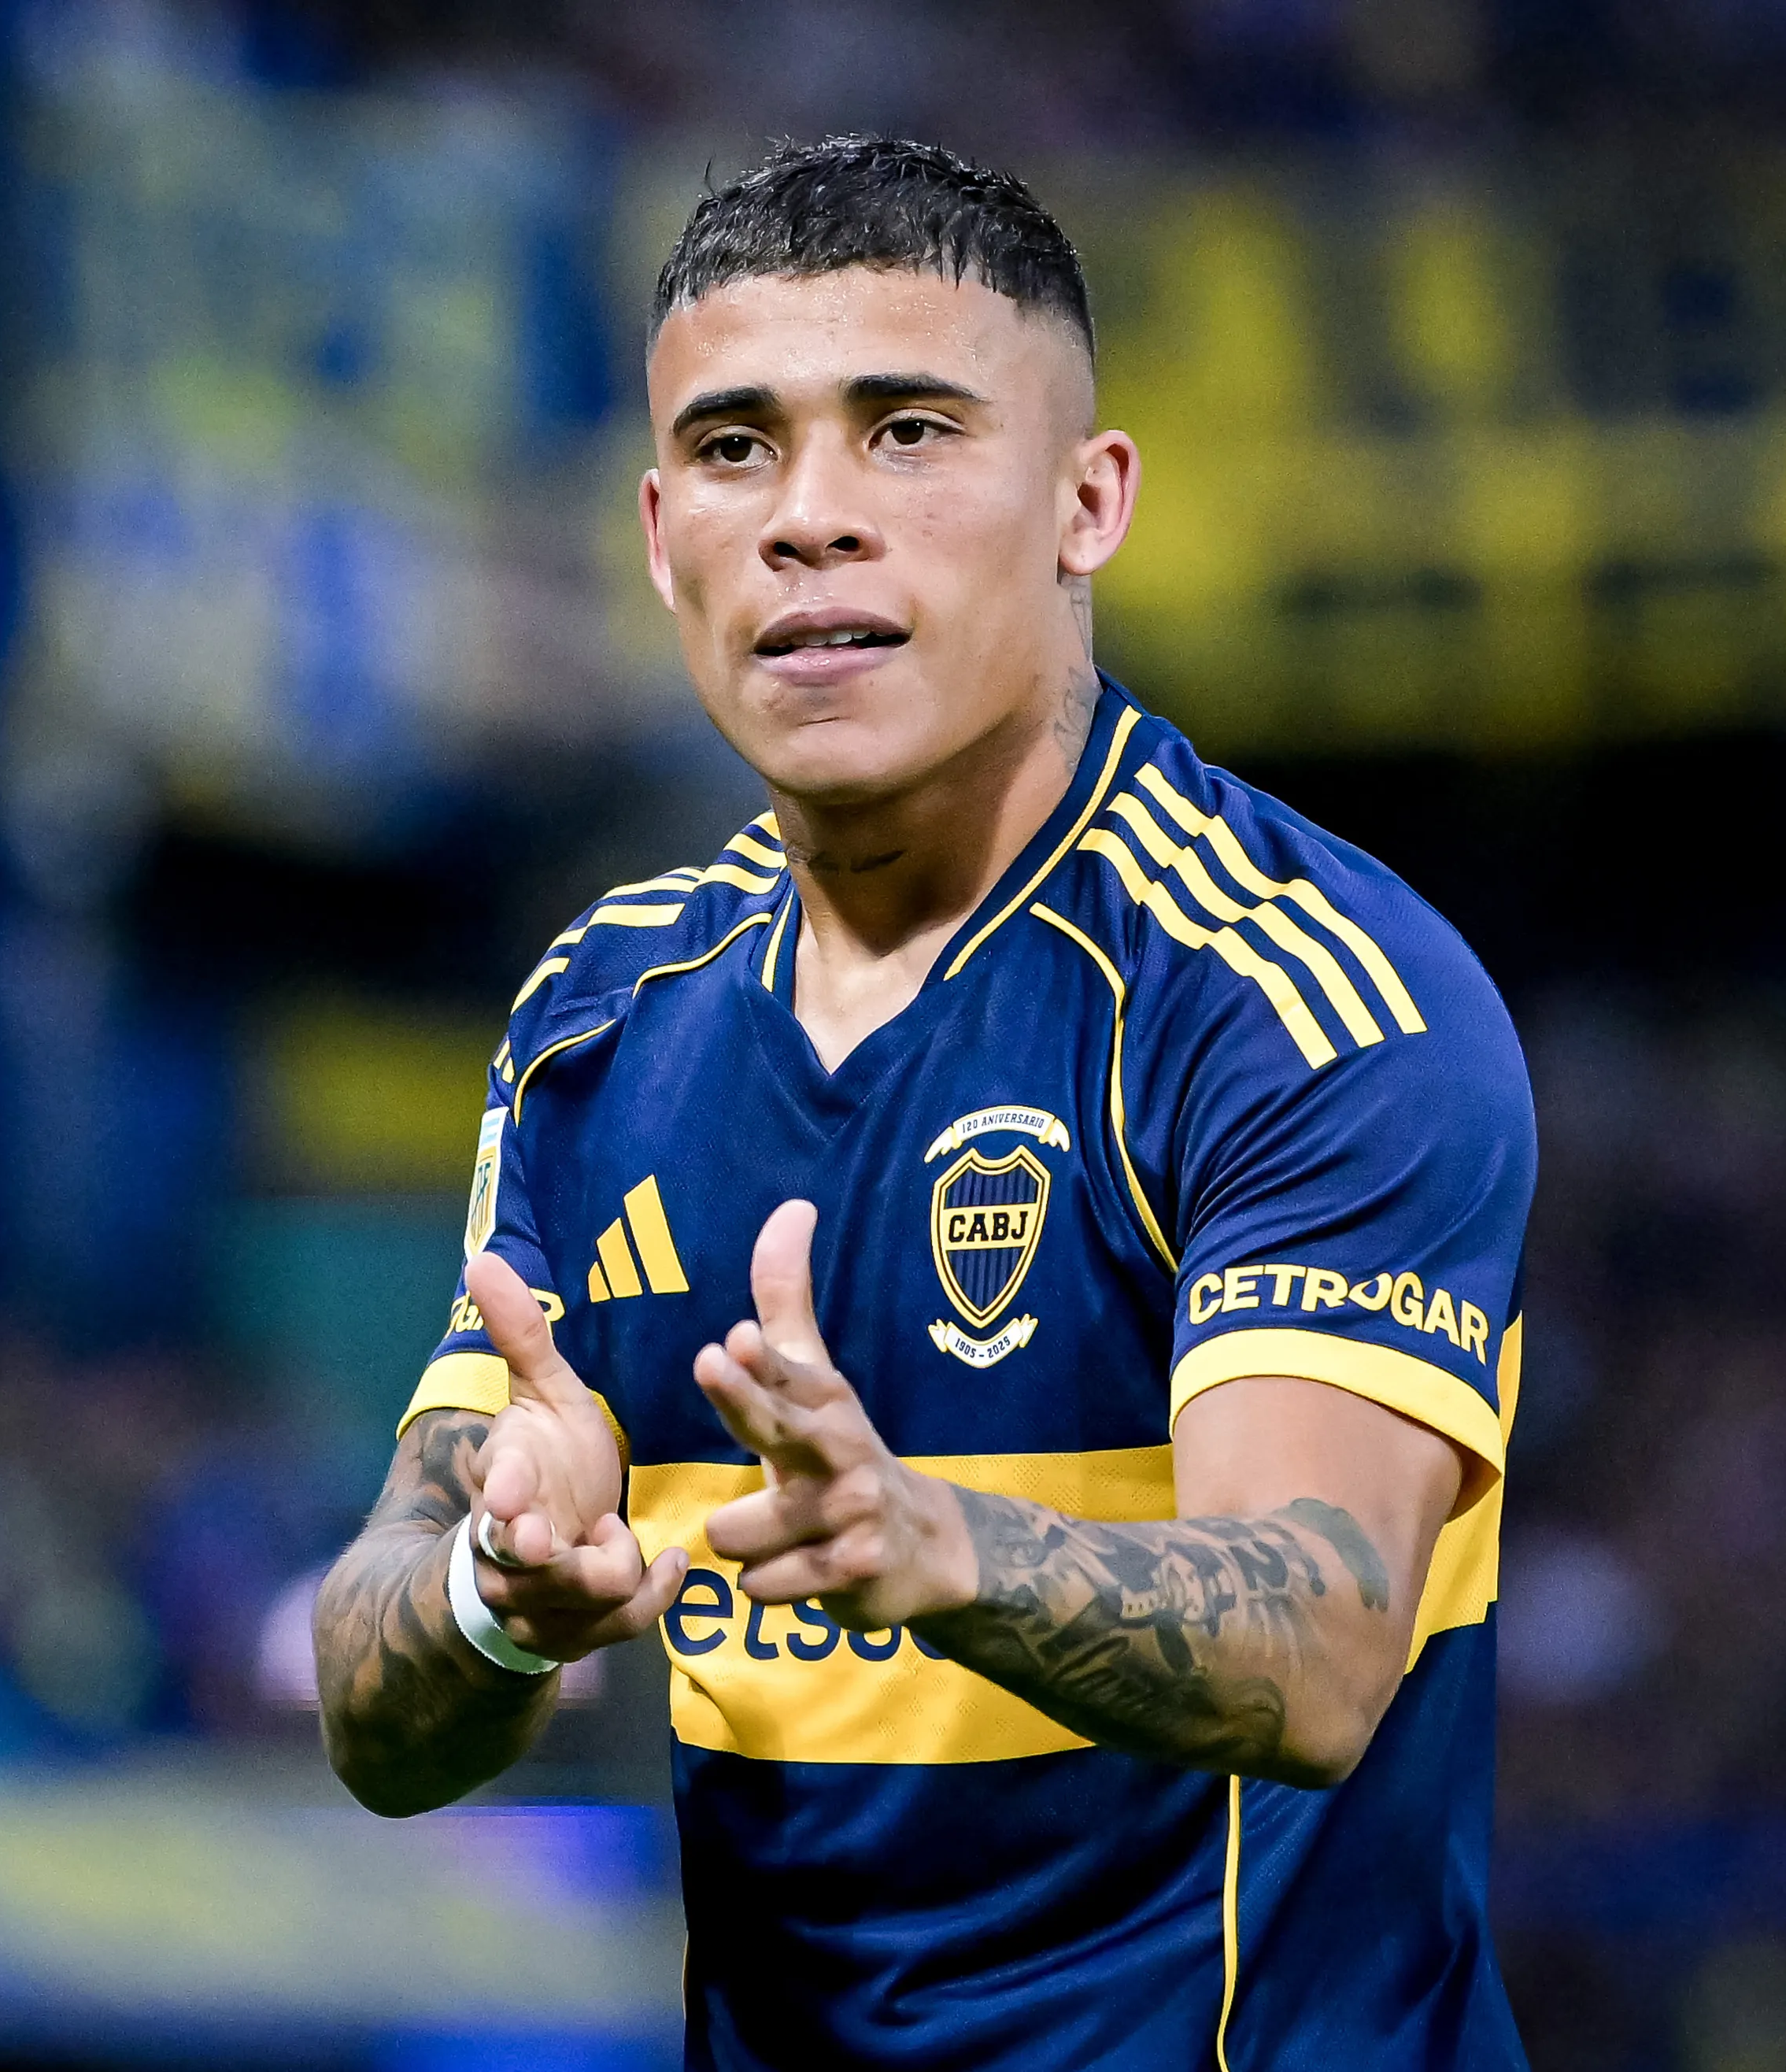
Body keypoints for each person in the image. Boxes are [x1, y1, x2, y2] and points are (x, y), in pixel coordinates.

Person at [315, 135, 1536, 2070]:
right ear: (656, 535)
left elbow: (1318, 1643)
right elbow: (374, 1715)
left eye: (907, 431)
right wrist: (493, 1589)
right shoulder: (597, 1021)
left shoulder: (1293, 995)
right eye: (735, 447)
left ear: (1088, 501)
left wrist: (929, 1541)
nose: (809, 518)